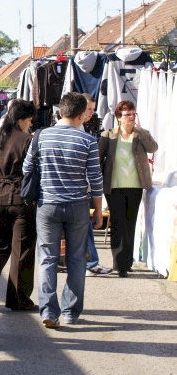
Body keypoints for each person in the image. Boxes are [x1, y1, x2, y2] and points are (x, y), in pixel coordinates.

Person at [22, 92, 104, 328]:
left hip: (47, 204)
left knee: (47, 258)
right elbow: (95, 180)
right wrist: (98, 211)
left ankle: (48, 310)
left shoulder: (41, 136)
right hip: (78, 205)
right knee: (77, 259)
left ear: (59, 112)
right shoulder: (87, 141)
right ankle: (70, 312)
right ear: (82, 116)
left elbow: (27, 167)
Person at [0, 99, 38, 311]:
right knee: (21, 250)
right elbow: (33, 173)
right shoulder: (26, 140)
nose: (30, 125)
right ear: (22, 119)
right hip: (19, 197)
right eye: (29, 121)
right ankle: (18, 298)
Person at [98, 99, 158, 278]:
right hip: (114, 186)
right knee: (118, 222)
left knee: (130, 223)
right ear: (119, 117)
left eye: (133, 114)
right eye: (127, 115)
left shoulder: (140, 135)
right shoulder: (109, 135)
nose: (131, 117)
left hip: (135, 185)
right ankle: (119, 263)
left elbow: (153, 147)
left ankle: (127, 262)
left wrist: (140, 130)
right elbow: (98, 159)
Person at [80, 93, 113, 276]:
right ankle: (90, 263)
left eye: (93, 109)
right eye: (89, 109)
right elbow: (93, 172)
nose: (91, 113)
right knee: (84, 228)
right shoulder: (83, 135)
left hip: (81, 191)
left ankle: (91, 262)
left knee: (85, 230)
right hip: (79, 192)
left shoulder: (84, 131)